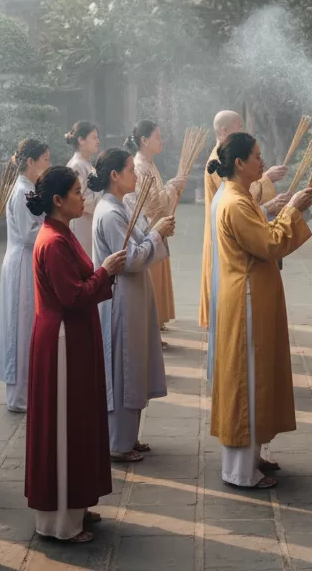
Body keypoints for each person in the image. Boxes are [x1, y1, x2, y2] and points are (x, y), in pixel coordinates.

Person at [25, 166, 127, 544]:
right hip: (62, 340)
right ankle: (62, 520)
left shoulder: (63, 233)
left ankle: (77, 504)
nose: (83, 197)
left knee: (79, 419)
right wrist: (105, 271)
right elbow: (72, 295)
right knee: (64, 424)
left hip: (74, 336)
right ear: (57, 200)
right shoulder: (53, 241)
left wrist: (101, 274)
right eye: (76, 191)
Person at [208, 132, 312, 490]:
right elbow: (268, 244)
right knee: (248, 378)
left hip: (250, 294)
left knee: (256, 375)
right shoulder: (235, 202)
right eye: (256, 155)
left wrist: (281, 211)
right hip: (247, 299)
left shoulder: (239, 196)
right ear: (239, 163)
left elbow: (260, 233)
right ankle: (241, 471)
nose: (262, 161)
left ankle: (250, 457)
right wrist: (293, 209)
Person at [91, 149, 174, 462]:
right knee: (123, 366)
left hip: (134, 294)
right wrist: (157, 234)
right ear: (114, 175)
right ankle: (118, 442)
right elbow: (131, 259)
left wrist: (155, 232)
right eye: (129, 169)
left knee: (135, 363)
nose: (135, 174)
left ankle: (128, 436)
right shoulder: (110, 213)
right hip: (120, 296)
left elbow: (138, 243)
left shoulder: (122, 205)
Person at [199, 110, 287, 329]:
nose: (243, 130)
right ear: (224, 131)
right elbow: (240, 193)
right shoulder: (219, 161)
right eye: (239, 126)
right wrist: (267, 180)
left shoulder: (224, 159)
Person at [0, 138, 51, 413]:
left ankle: (29, 389)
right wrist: (52, 224)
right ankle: (19, 395)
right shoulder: (22, 191)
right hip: (22, 261)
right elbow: (29, 233)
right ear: (30, 161)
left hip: (29, 259)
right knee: (20, 324)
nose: (48, 165)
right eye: (45, 160)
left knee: (28, 322)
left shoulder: (30, 189)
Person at [125, 119, 187, 333]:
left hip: (155, 227)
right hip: (146, 229)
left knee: (158, 277)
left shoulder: (149, 164)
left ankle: (157, 321)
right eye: (157, 137)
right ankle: (150, 326)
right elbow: (151, 204)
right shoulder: (140, 166)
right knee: (151, 278)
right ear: (144, 140)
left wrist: (172, 189)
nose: (161, 140)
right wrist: (171, 187)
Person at [65, 121, 100, 255]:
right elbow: (79, 198)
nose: (97, 141)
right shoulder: (76, 165)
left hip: (89, 221)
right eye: (94, 137)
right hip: (81, 223)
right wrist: (104, 200)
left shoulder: (87, 164)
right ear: (81, 140)